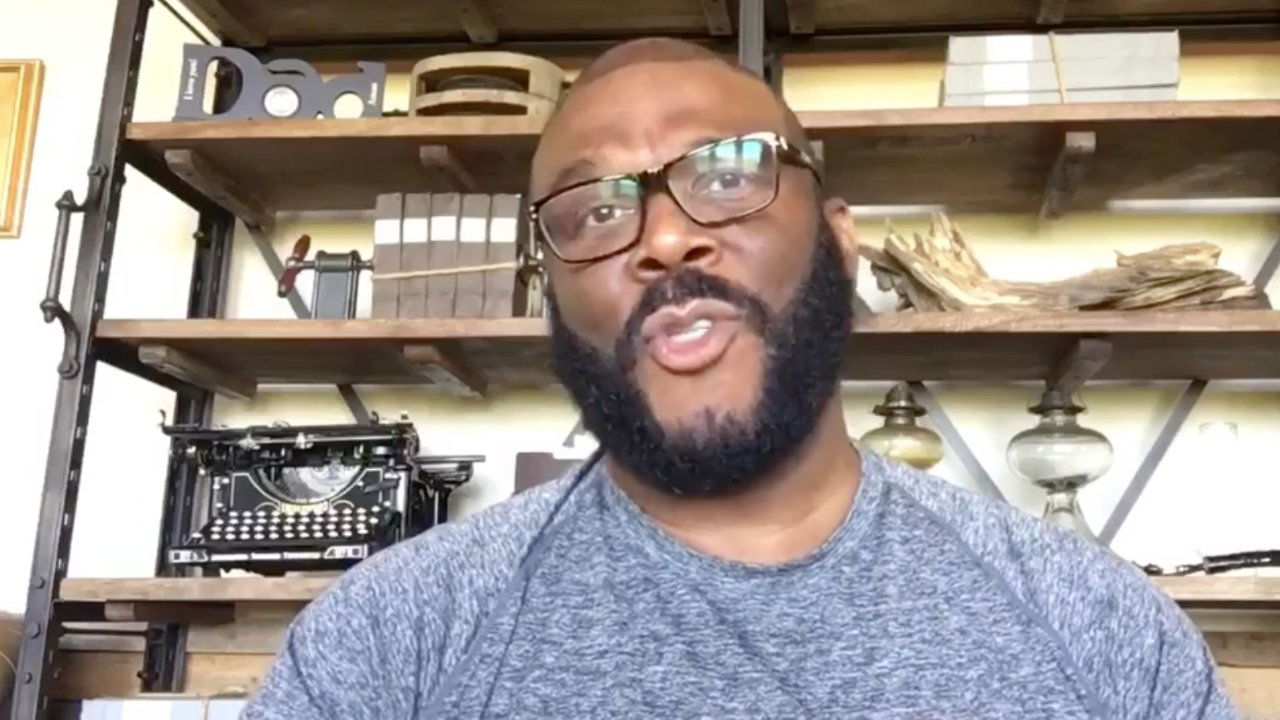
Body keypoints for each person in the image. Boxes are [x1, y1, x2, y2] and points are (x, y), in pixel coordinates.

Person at [243, 38, 1237, 719]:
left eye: (726, 173)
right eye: (596, 211)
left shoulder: (1098, 630)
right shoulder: (387, 643)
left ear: (839, 243)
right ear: (550, 294)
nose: (665, 238)